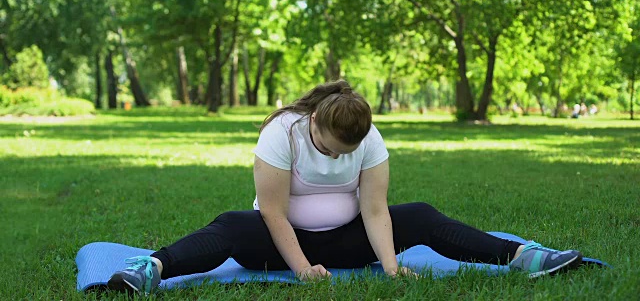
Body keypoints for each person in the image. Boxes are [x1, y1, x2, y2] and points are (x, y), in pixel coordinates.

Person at [107, 80, 583, 295]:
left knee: (418, 214)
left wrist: (392, 268)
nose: (336, 158)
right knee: (232, 224)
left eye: (344, 153)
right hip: (278, 242)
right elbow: (273, 213)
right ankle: (151, 268)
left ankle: (525, 257)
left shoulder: (368, 138)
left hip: (350, 241)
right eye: (328, 149)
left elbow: (376, 210)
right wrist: (302, 270)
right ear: (314, 121)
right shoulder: (282, 132)